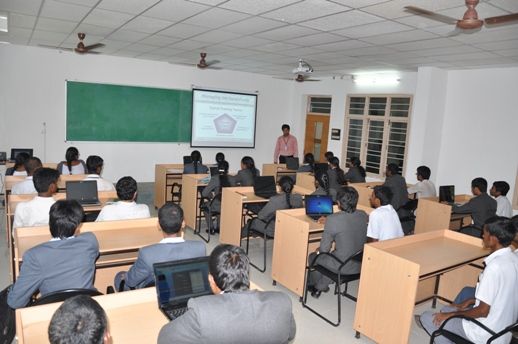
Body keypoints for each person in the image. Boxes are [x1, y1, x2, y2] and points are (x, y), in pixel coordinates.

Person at [158, 244, 296, 344]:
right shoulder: (282, 301)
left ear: (211, 279)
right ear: (246, 273)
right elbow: (290, 334)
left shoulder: (202, 311)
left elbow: (165, 338)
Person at [417, 217, 518, 344]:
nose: (482, 235)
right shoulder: (513, 259)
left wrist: (450, 316)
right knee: (446, 309)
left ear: (493, 239)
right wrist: (470, 301)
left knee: (427, 317)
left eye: (485, 233)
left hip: (484, 333)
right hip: (503, 331)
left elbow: (483, 311)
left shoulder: (494, 267)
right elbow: (499, 296)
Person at [8, 200, 99, 309]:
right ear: (78, 226)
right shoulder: (90, 240)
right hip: (89, 307)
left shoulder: (34, 256)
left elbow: (15, 302)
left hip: (54, 313)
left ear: (50, 223)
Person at [115, 203, 206, 290]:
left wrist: (125, 276)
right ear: (183, 224)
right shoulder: (200, 248)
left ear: (158, 225)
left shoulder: (147, 253)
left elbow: (131, 281)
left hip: (156, 292)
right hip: (185, 289)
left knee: (119, 277)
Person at [307, 187, 368, 298]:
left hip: (342, 267)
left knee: (313, 256)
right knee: (335, 256)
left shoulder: (333, 219)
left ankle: (315, 286)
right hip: (360, 264)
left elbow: (324, 250)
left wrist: (317, 251)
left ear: (338, 203)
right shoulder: (363, 215)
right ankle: (320, 287)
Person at [201, 160, 231, 233]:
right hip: (229, 205)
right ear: (227, 169)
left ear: (218, 168)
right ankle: (219, 227)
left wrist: (211, 195)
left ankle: (211, 228)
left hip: (218, 205)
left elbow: (204, 193)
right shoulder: (232, 178)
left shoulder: (215, 178)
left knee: (205, 206)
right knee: (218, 204)